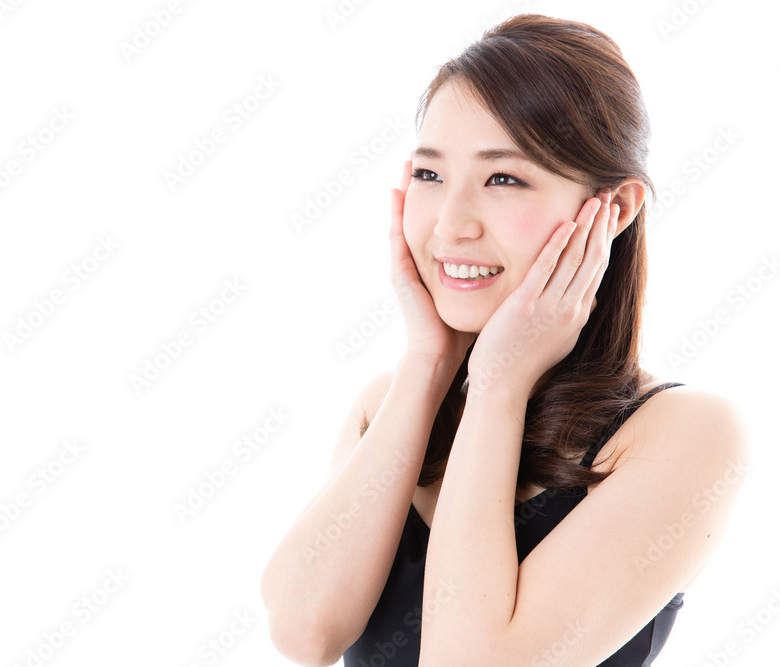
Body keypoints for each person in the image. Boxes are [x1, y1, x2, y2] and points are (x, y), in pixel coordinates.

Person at [259, 13, 750, 667]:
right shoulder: (391, 400)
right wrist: (429, 363)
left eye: (503, 179)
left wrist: (500, 383)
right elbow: (304, 632)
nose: (451, 224)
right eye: (430, 176)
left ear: (616, 208)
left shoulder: (685, 432)